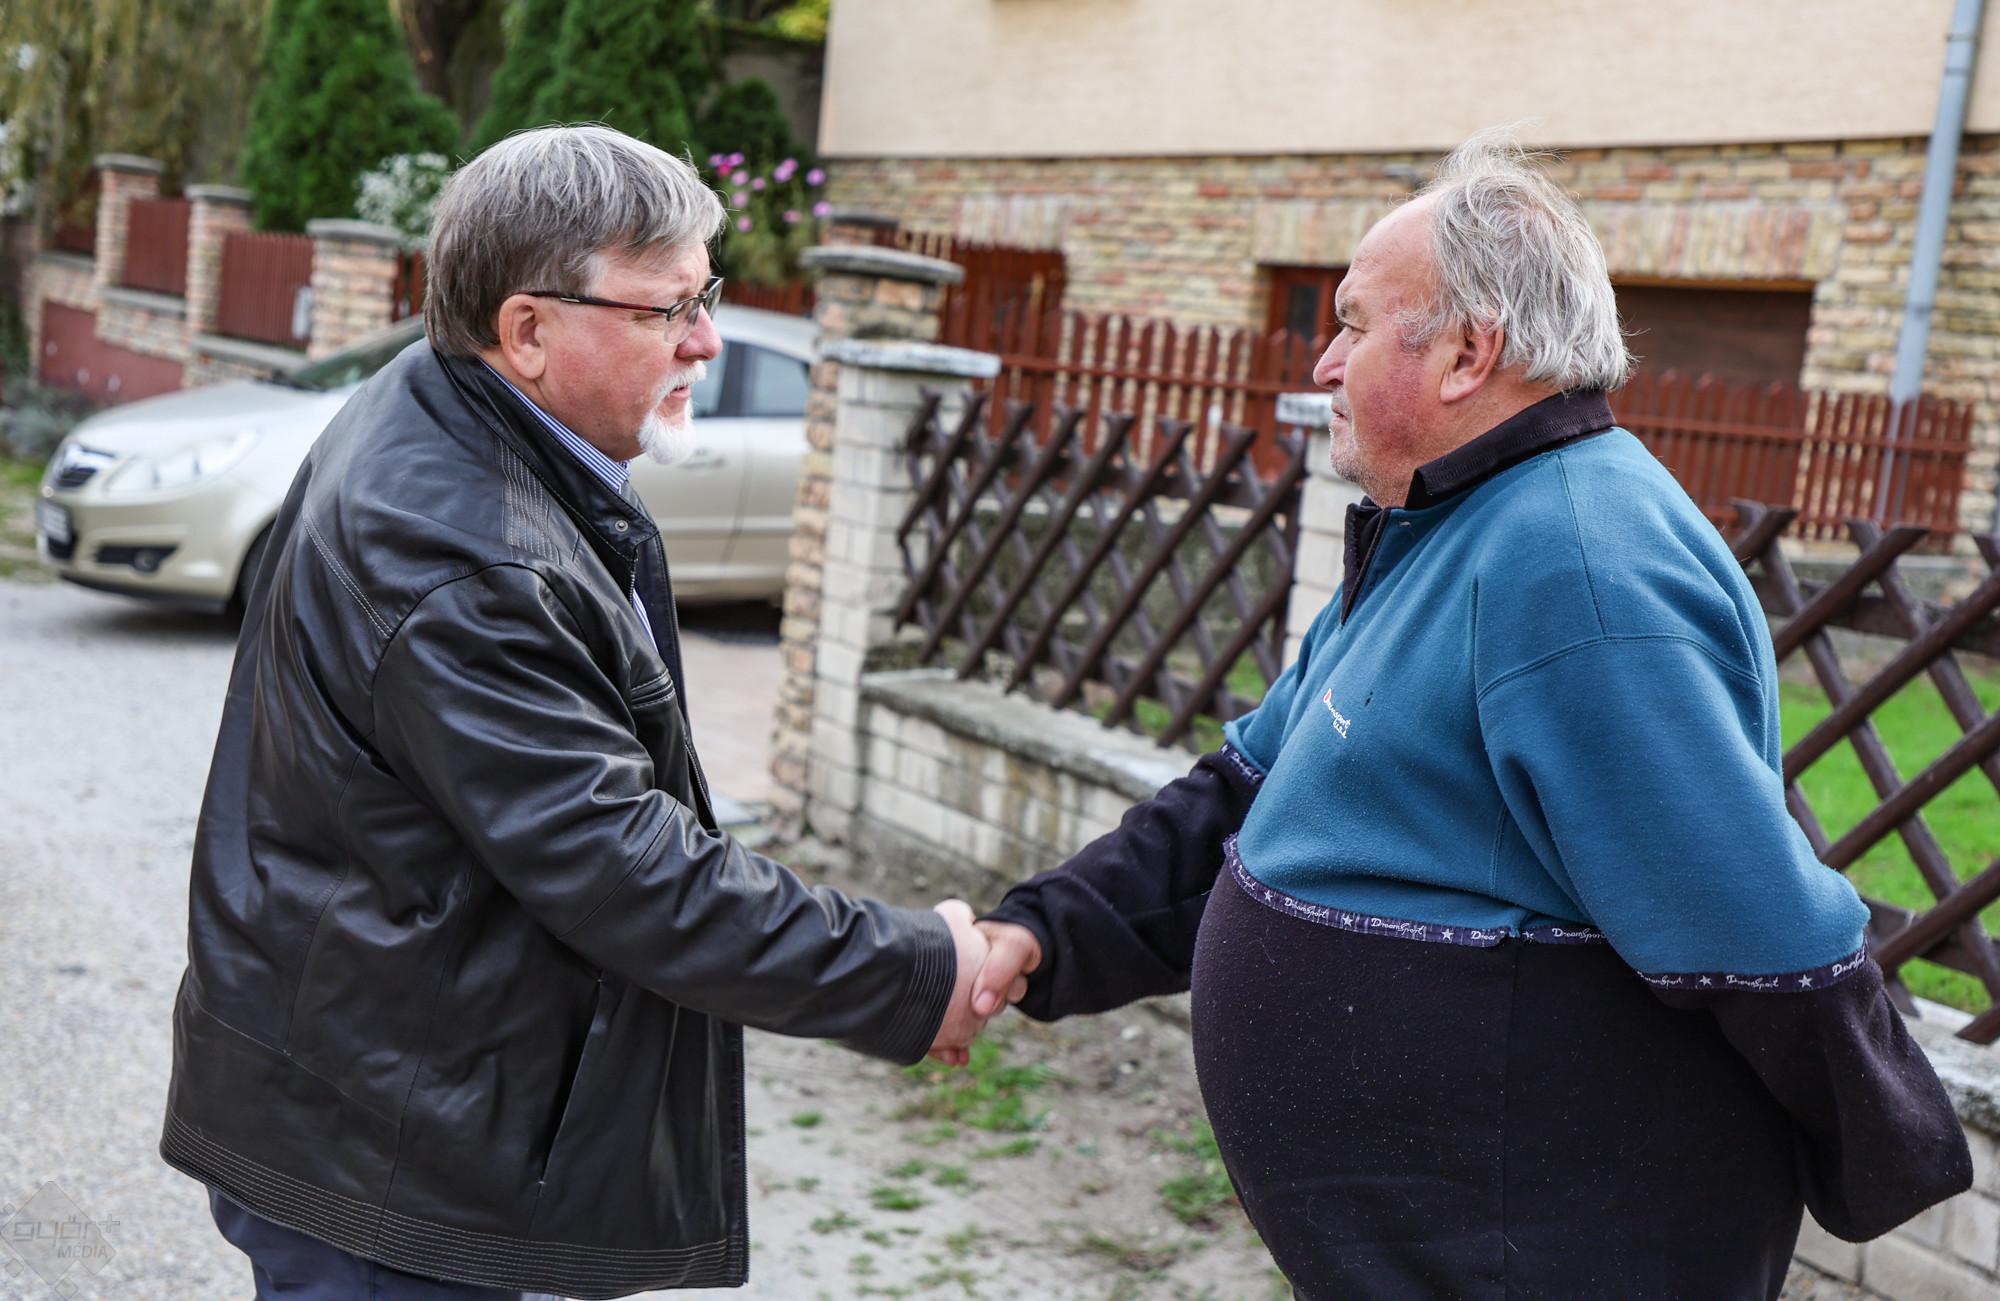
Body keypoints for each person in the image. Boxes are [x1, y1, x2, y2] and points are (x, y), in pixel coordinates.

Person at [961, 130, 1971, 1300]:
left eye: (1349, 324)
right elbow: (1247, 791)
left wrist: (1885, 1135)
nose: (1322, 364)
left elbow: (1744, 922)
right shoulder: (1443, 527)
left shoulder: (1575, 559)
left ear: (1465, 353)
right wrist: (1041, 933)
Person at [160, 125, 989, 1301]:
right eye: (666, 309)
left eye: (705, 295)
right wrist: (912, 969)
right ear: (527, 330)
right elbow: (625, 866)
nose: (706, 338)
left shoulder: (461, 414)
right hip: (384, 1163)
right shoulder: (462, 554)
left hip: (387, 1101)